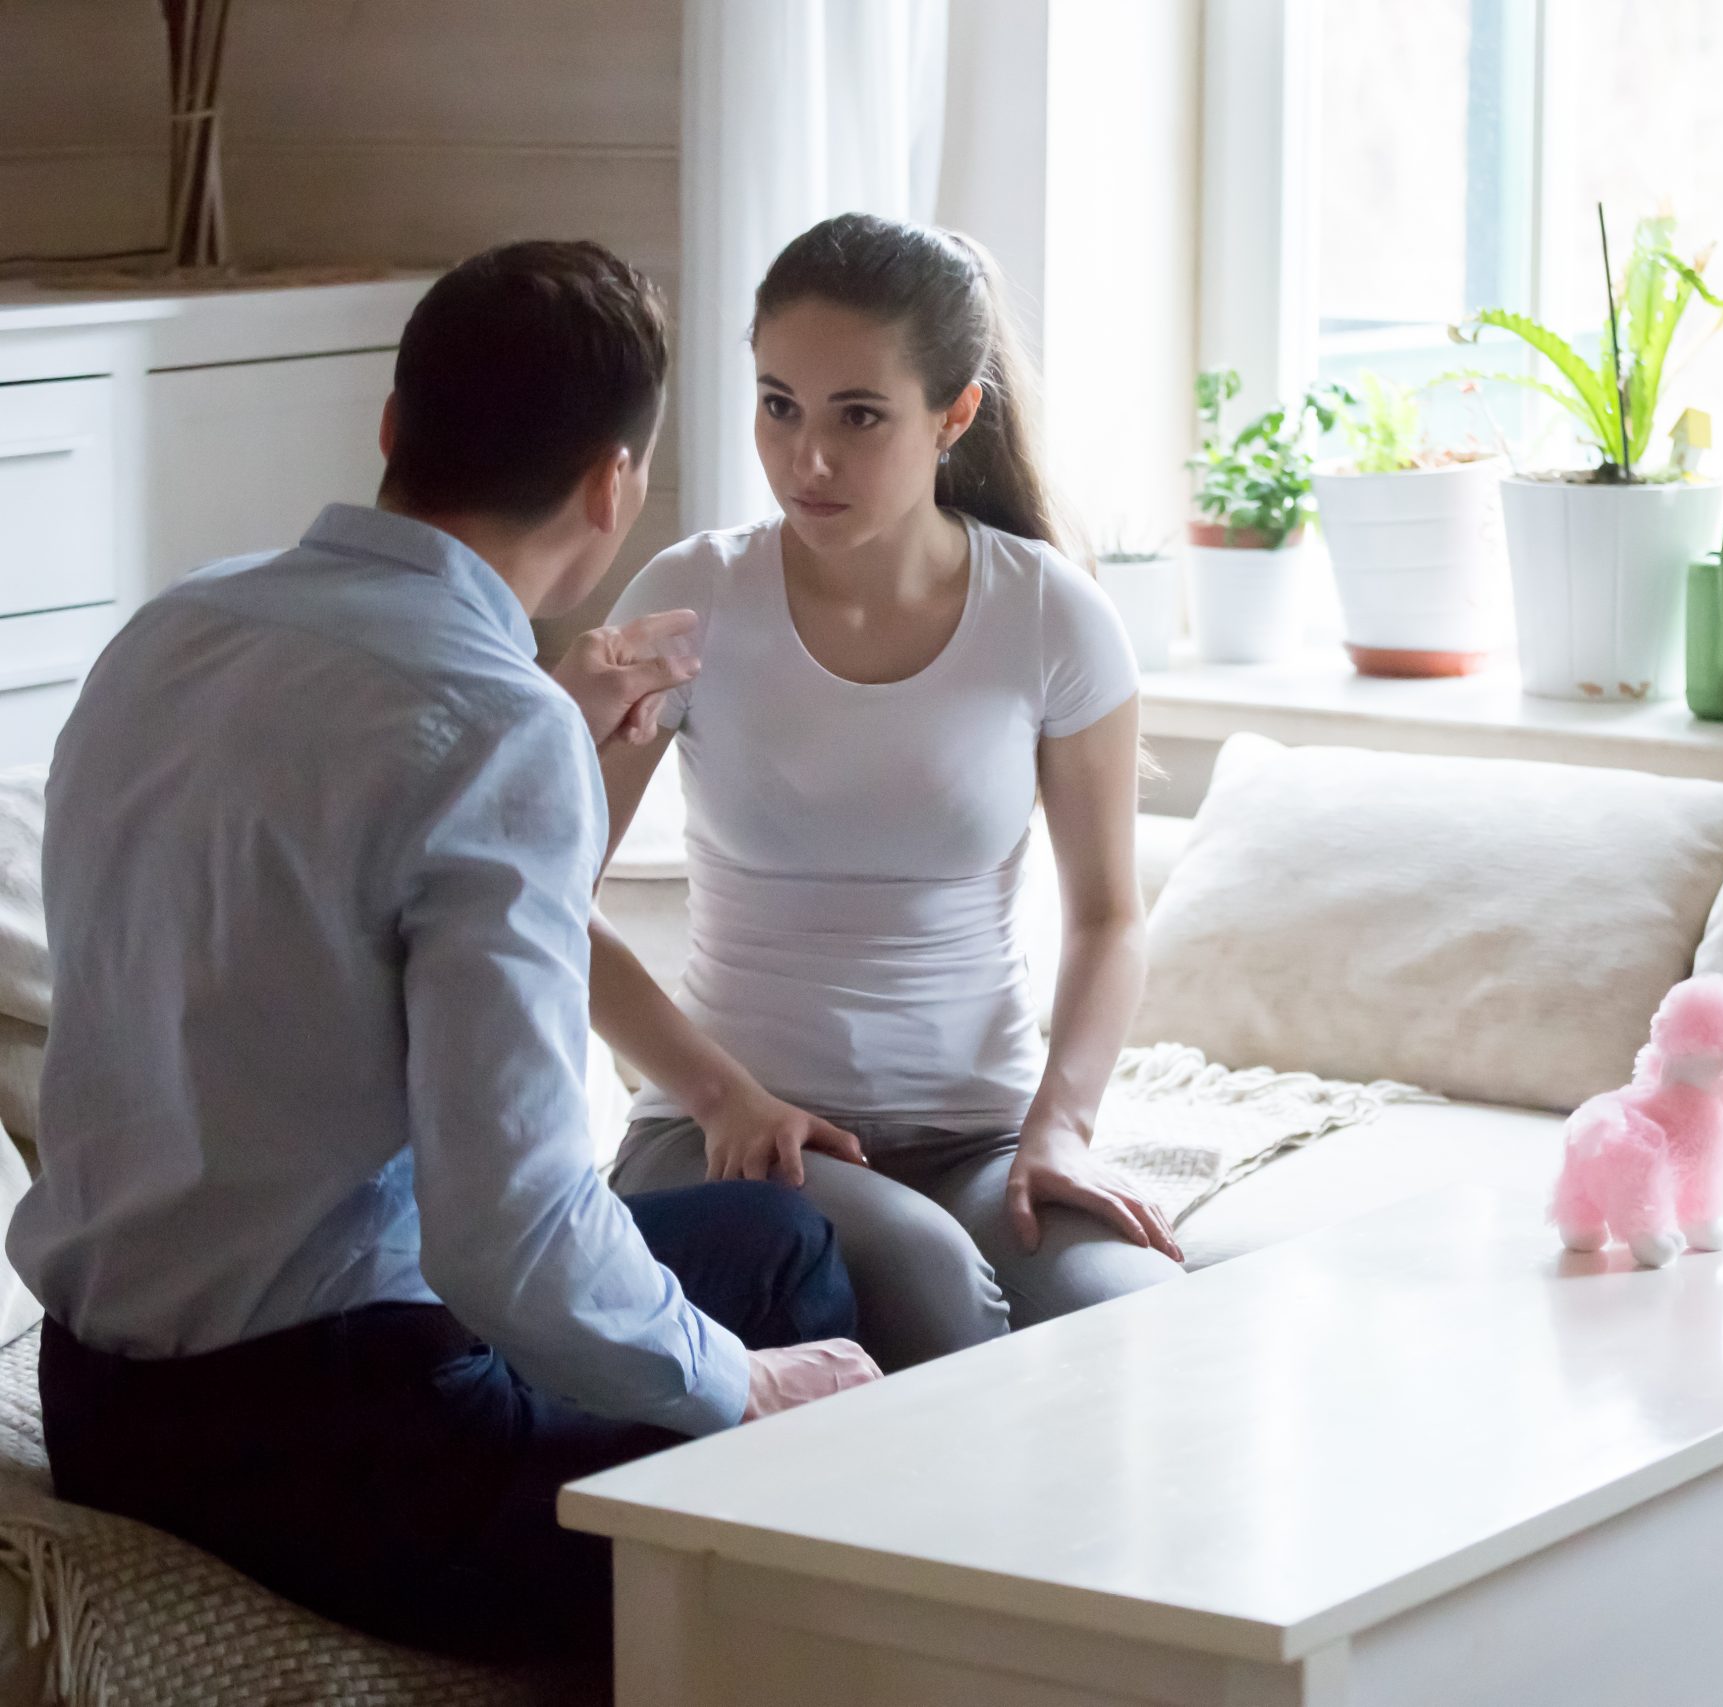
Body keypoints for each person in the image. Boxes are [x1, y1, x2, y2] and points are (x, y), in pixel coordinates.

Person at [8, 240, 881, 1666]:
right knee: (791, 1479)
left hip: (102, 1382)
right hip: (333, 1425)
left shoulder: (170, 630)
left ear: (392, 426)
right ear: (614, 490)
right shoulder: (496, 723)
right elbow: (508, 1231)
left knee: (779, 1242)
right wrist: (741, 1387)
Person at [593, 212, 1183, 1372]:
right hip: (729, 1137)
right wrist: (721, 1096)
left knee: (1141, 1311)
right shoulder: (692, 598)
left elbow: (1111, 914)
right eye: (779, 406)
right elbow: (541, 895)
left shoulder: (1053, 615)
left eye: (858, 416)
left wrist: (1059, 1125)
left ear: (954, 413)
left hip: (979, 1136)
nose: (807, 459)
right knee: (923, 1275)